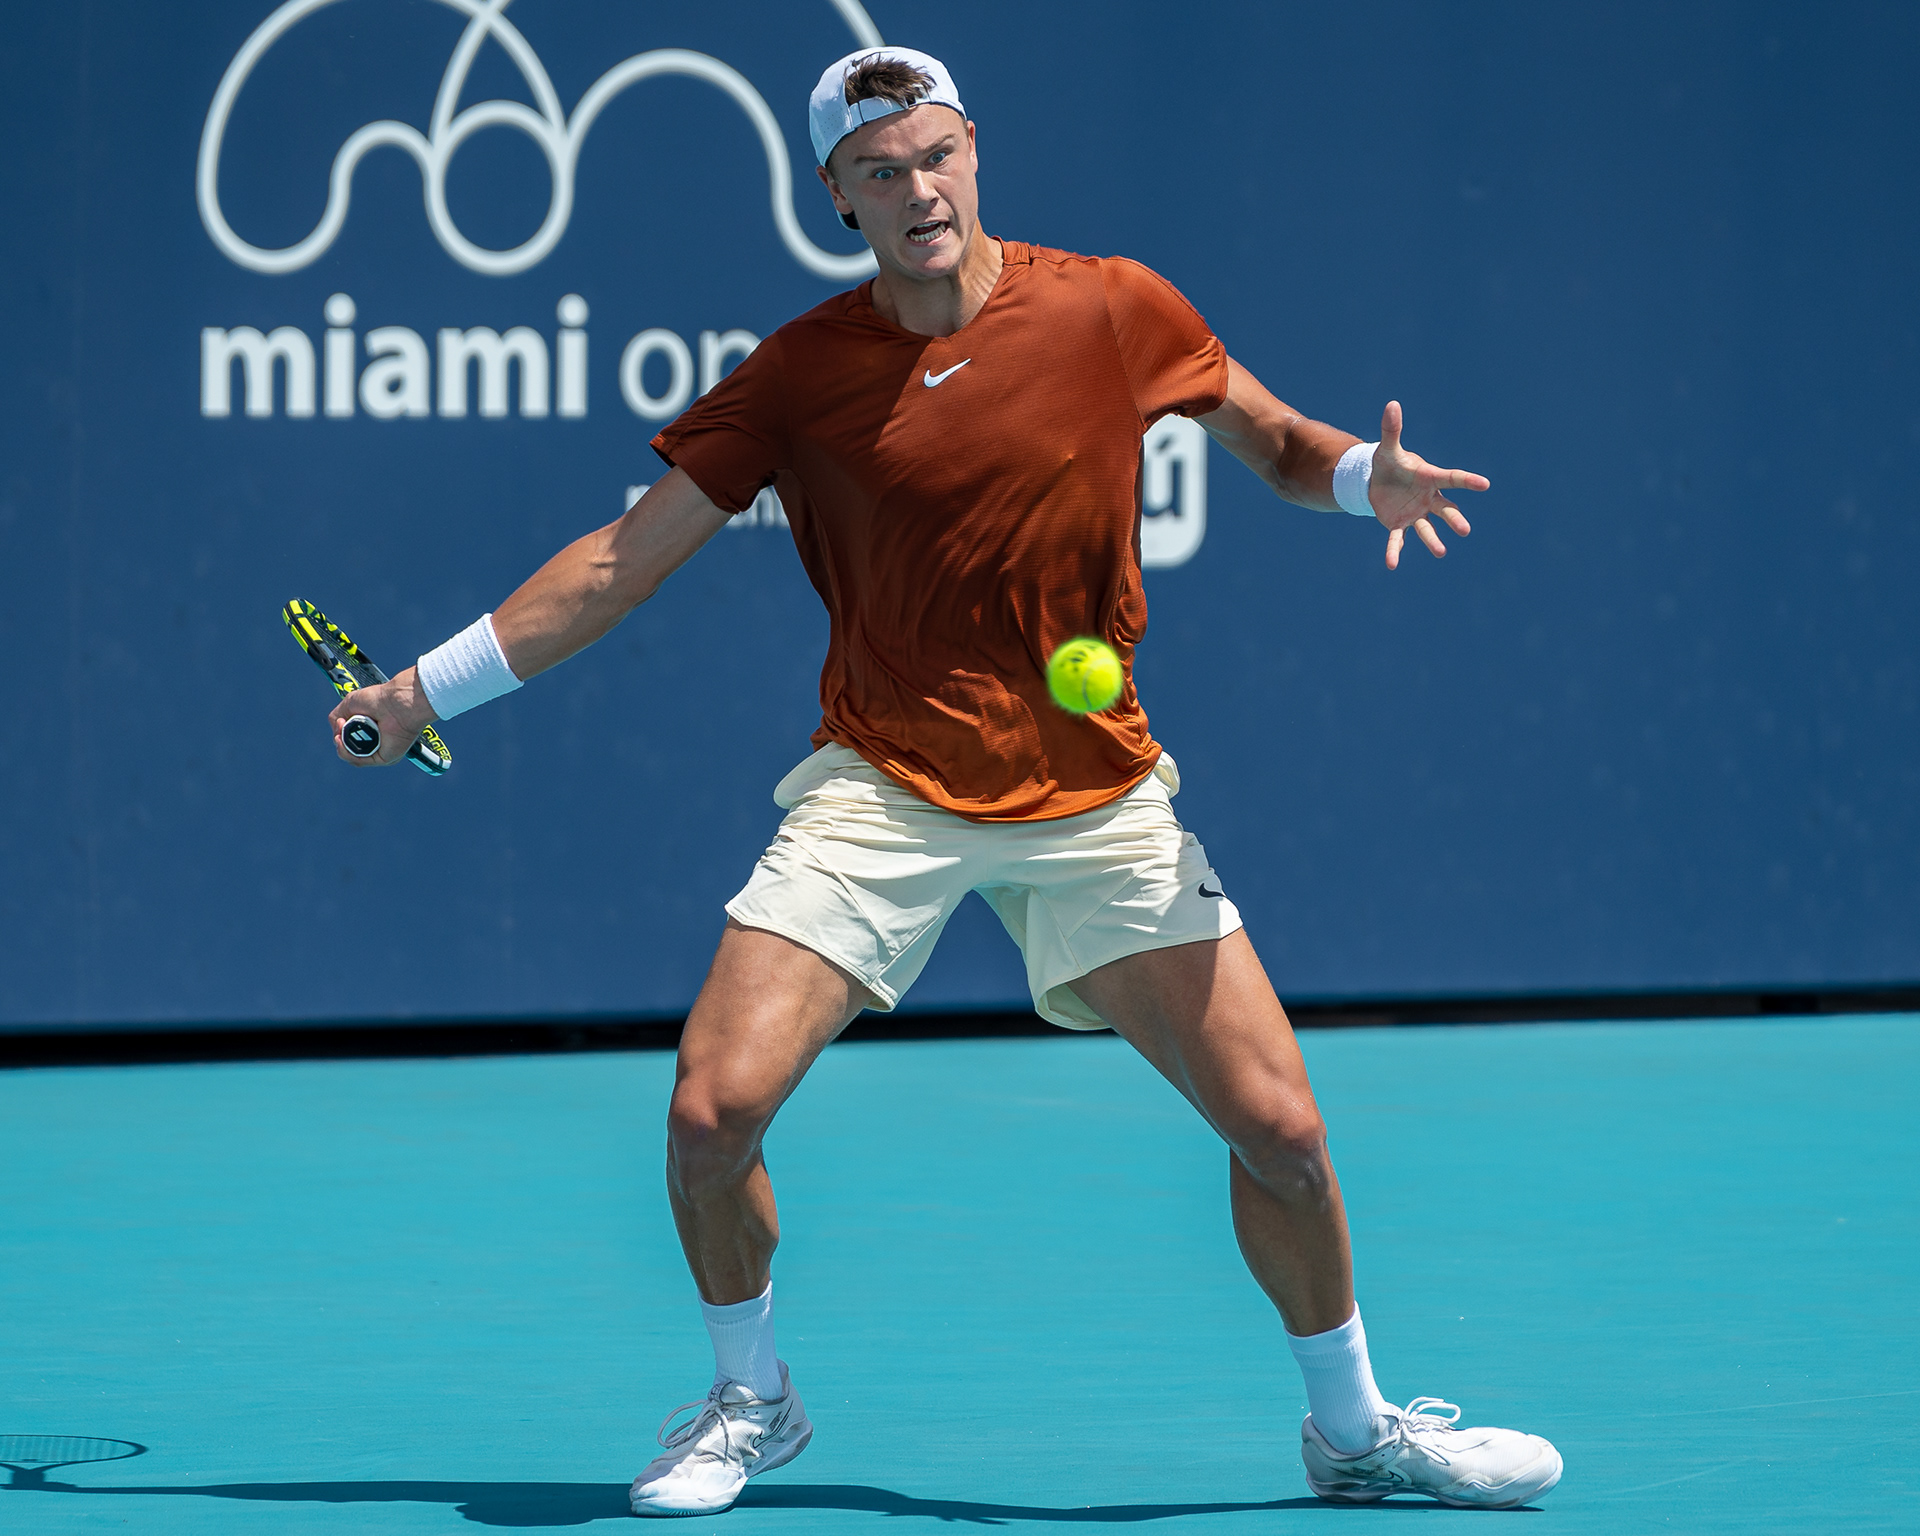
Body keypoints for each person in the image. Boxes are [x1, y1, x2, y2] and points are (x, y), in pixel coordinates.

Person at [332, 45, 1563, 1516]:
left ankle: (1354, 1434)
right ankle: (750, 1401)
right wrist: (420, 692)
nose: (918, 189)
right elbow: (618, 563)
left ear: (974, 153)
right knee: (711, 1115)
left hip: (1097, 796)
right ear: (837, 199)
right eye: (880, 171)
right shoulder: (799, 376)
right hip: (885, 784)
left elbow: (1282, 446)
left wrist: (1369, 479)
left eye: (936, 156)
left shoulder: (1115, 306)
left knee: (1285, 1137)